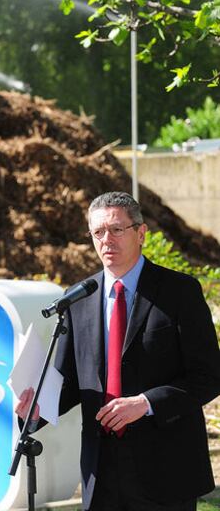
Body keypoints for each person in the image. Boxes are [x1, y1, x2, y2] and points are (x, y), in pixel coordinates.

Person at [16, 191, 220, 511]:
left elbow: (208, 376)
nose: (106, 240)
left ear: (140, 234)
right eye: (98, 232)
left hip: (166, 470)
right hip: (102, 473)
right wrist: (37, 407)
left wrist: (146, 403)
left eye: (116, 229)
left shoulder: (180, 292)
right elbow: (68, 382)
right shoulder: (79, 299)